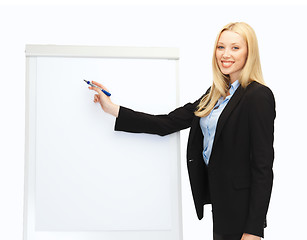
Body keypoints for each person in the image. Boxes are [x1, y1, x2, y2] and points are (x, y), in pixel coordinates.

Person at [88, 22, 276, 240]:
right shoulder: (214, 95)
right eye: (220, 47)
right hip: (221, 206)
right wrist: (113, 109)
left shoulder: (258, 96)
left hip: (242, 212)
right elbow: (166, 123)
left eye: (235, 48)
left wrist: (253, 230)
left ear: (249, 53)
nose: (225, 54)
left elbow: (263, 167)